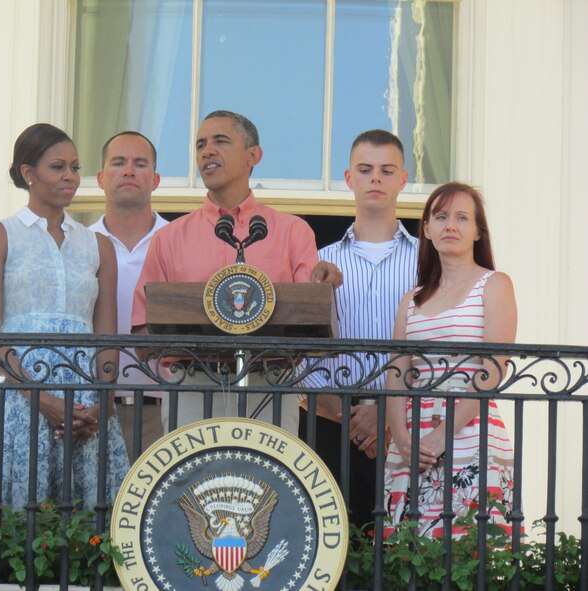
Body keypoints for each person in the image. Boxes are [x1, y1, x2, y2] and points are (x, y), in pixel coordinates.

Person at [0, 123, 128, 523]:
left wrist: (101, 406)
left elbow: (107, 333)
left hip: (84, 399)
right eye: (58, 166)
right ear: (28, 173)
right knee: (5, 522)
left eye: (75, 167)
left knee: (85, 529)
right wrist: (42, 399)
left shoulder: (98, 245)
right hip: (13, 390)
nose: (70, 177)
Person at [131, 110, 319, 434]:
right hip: (191, 385)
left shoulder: (293, 232)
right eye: (200, 144)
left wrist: (322, 288)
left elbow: (311, 322)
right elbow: (142, 333)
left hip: (270, 385)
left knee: (269, 484)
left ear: (253, 156)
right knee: (191, 484)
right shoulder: (169, 238)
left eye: (220, 141)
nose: (206, 151)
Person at [384, 182, 516, 538]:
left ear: (477, 232)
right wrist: (401, 438)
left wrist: (442, 436)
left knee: (469, 550)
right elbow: (397, 372)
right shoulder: (411, 299)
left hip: (470, 429)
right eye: (440, 217)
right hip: (412, 436)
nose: (450, 226)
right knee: (407, 551)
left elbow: (493, 370)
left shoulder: (494, 284)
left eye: (462, 217)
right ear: (426, 229)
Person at [301, 129, 418, 529]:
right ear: (349, 178)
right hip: (331, 424)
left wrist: (385, 413)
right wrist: (350, 416)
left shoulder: (428, 262)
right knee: (333, 544)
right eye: (365, 170)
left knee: (407, 547)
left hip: (408, 424)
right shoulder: (316, 262)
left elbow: (431, 345)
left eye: (387, 171)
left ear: (403, 180)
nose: (376, 179)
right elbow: (303, 354)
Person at [89, 131, 168, 462]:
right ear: (101, 178)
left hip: (165, 409)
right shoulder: (80, 244)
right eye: (118, 162)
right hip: (91, 409)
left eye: (140, 163)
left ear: (156, 179)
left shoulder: (179, 242)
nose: (129, 171)